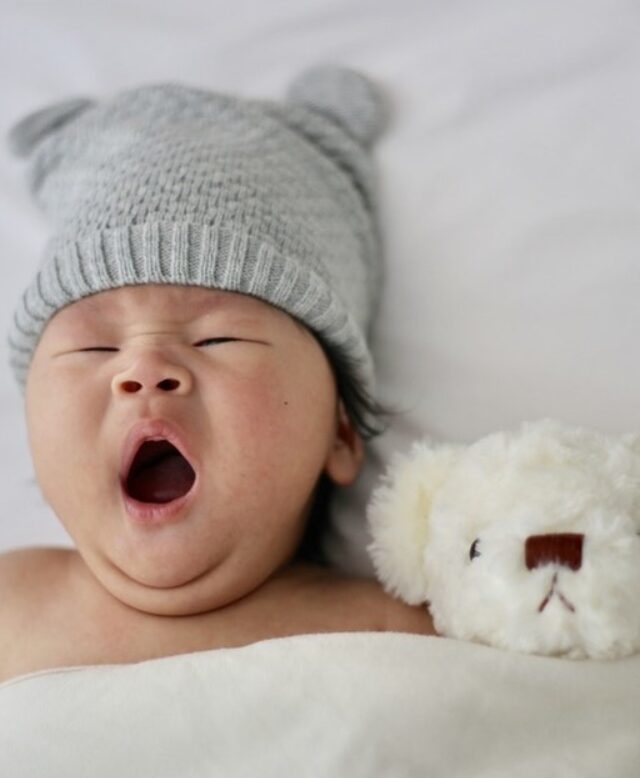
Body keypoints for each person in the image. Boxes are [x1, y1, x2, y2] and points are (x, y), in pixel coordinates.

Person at [0, 66, 434, 684]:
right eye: (94, 348)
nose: (145, 368)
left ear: (339, 433)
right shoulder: (11, 608)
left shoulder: (394, 634)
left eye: (217, 337)